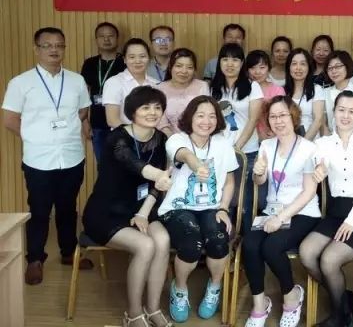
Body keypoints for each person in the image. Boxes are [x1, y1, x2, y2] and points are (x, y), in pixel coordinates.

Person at [2, 27, 93, 285]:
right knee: (39, 210)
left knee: (68, 208)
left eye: (59, 45)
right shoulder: (21, 83)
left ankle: (68, 252)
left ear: (64, 48)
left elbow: (83, 111)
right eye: (47, 45)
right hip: (38, 159)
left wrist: (68, 129)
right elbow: (9, 119)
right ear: (36, 49)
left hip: (71, 155)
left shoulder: (76, 80)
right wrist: (35, 136)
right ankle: (35, 259)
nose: (54, 50)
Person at [82, 86, 173, 327]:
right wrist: (159, 175)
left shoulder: (161, 140)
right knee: (145, 245)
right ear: (132, 111)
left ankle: (153, 309)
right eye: (145, 107)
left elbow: (155, 187)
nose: (152, 112)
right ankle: (133, 315)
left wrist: (143, 213)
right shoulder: (117, 138)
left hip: (141, 209)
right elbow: (133, 163)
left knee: (162, 240)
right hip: (106, 212)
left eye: (157, 107)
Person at [300, 91, 353, 327]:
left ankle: (340, 317)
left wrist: (351, 222)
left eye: (351, 111)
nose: (346, 116)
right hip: (336, 211)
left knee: (329, 260)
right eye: (341, 110)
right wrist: (319, 170)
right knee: (307, 253)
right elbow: (319, 163)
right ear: (333, 112)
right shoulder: (322, 144)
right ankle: (343, 298)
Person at [241, 96, 321, 327]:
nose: (278, 121)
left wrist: (281, 218)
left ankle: (291, 297)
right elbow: (260, 181)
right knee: (250, 245)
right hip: (272, 210)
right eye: (273, 117)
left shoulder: (308, 148)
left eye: (282, 115)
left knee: (271, 247)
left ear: (293, 116)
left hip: (303, 212)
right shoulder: (266, 146)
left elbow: (308, 192)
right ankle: (259, 305)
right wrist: (258, 173)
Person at [158, 96, 238, 322]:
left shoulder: (223, 144)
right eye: (200, 115)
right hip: (178, 207)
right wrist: (196, 165)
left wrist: (223, 208)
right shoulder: (177, 139)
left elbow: (229, 182)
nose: (206, 121)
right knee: (191, 241)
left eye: (212, 116)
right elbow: (183, 154)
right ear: (190, 118)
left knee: (218, 239)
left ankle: (214, 286)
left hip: (213, 207)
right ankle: (180, 288)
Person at [209, 43, 263, 233]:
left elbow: (253, 120)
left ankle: (245, 240)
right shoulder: (213, 88)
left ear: (242, 63)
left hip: (246, 151)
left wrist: (237, 147)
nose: (230, 64)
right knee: (223, 195)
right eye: (225, 59)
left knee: (244, 198)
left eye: (235, 59)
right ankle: (226, 236)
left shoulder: (252, 86)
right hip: (219, 151)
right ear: (219, 62)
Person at [80, 22, 126, 167]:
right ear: (96, 39)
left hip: (122, 122)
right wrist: (84, 121)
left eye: (110, 36)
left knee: (125, 165)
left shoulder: (125, 62)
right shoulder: (90, 63)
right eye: (102, 36)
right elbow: (83, 94)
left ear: (117, 39)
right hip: (98, 123)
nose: (106, 39)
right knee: (104, 165)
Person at [103, 38, 158, 128]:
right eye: (132, 57)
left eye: (142, 56)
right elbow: (112, 120)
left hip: (152, 135)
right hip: (123, 135)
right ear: (124, 59)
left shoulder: (156, 84)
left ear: (149, 58)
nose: (137, 61)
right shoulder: (114, 82)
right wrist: (137, 133)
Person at [156, 48, 209, 136]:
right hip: (169, 138)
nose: (184, 71)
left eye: (189, 67)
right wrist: (174, 140)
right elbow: (161, 122)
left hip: (199, 137)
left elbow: (206, 116)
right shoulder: (160, 88)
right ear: (170, 67)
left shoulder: (202, 86)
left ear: (194, 70)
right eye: (179, 66)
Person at [284, 48, 325, 140]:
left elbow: (318, 120)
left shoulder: (316, 89)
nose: (298, 68)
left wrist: (303, 145)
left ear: (309, 67)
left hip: (311, 141)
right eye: (294, 64)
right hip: (288, 141)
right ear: (288, 67)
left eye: (303, 64)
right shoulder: (283, 91)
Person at [246, 49, 285, 140]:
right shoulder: (243, 90)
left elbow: (282, 115)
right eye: (253, 68)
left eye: (262, 67)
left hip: (270, 138)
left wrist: (275, 132)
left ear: (269, 68)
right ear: (247, 70)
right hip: (247, 139)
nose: (257, 72)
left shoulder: (277, 90)